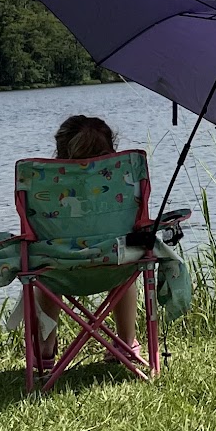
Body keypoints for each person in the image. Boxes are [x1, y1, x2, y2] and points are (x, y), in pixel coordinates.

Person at [48, 113, 143, 349]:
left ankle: (44, 351)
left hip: (60, 269)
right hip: (115, 264)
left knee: (43, 274)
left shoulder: (45, 182)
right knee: (125, 257)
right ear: (111, 147)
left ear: (60, 150)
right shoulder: (122, 180)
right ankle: (126, 343)